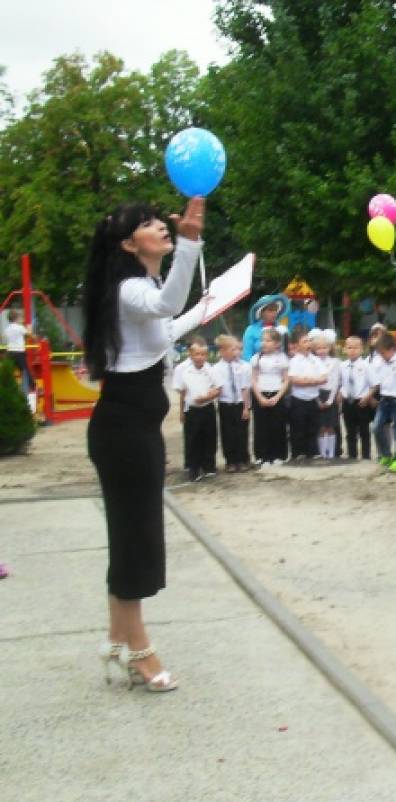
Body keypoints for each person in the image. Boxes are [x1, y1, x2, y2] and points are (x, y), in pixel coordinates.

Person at [83, 196, 211, 693]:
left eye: (161, 221)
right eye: (149, 224)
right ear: (127, 243)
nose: (161, 226)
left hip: (134, 429)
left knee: (134, 536)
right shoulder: (131, 288)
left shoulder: (143, 287)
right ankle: (140, 651)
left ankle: (116, 639)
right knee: (136, 540)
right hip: (123, 431)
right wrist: (191, 243)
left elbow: (165, 325)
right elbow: (162, 307)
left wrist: (205, 307)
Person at [172, 336, 220, 481]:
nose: (200, 357)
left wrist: (211, 395)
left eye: (203, 354)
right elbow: (182, 393)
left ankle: (209, 466)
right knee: (193, 439)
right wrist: (181, 411)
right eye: (197, 354)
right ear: (190, 355)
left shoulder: (210, 369)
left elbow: (218, 388)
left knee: (209, 437)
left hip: (207, 408)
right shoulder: (184, 371)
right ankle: (194, 468)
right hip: (192, 410)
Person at [370, 333, 396, 471]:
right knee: (376, 427)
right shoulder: (379, 362)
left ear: (392, 349)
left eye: (383, 352)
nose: (381, 355)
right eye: (379, 353)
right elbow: (377, 379)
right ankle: (386, 454)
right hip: (384, 398)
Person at [213, 334, 253, 472]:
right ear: (223, 351)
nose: (236, 352)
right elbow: (217, 388)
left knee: (242, 432)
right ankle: (230, 461)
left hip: (240, 403)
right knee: (228, 433)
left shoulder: (244, 366)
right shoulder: (216, 368)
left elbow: (245, 387)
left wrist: (246, 407)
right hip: (225, 404)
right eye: (232, 349)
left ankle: (243, 459)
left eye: (237, 349)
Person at [251, 327, 290, 465]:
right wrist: (260, 397)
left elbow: (286, 380)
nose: (264, 343)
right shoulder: (257, 358)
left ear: (277, 343)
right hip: (260, 394)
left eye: (268, 340)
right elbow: (254, 379)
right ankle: (262, 456)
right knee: (261, 426)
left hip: (276, 394)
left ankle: (278, 455)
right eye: (263, 340)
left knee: (277, 426)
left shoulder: (282, 358)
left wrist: (278, 396)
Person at [286, 331, 324, 460]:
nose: (308, 343)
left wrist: (308, 381)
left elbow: (324, 377)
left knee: (313, 426)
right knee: (298, 427)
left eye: (309, 340)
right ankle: (298, 453)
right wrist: (313, 380)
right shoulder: (294, 361)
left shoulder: (316, 360)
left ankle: (312, 452)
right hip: (299, 399)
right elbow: (294, 380)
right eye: (304, 341)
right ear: (296, 345)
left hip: (313, 398)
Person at [340, 335, 374, 461]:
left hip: (361, 401)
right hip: (347, 401)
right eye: (349, 348)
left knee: (364, 430)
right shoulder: (342, 366)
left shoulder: (366, 366)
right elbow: (339, 383)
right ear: (344, 349)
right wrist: (341, 393)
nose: (352, 350)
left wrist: (368, 397)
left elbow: (374, 384)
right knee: (350, 430)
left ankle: (366, 455)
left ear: (362, 349)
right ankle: (352, 455)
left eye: (356, 348)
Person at [312, 329, 341, 460]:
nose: (322, 350)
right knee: (321, 427)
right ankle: (323, 453)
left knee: (331, 426)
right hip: (317, 394)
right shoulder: (313, 362)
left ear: (329, 348)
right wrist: (317, 400)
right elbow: (313, 382)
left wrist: (330, 400)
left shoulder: (335, 362)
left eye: (324, 347)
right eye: (318, 348)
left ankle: (331, 453)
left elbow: (335, 382)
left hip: (330, 395)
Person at [242, 295, 285, 361]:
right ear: (261, 313)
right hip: (257, 368)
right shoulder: (251, 330)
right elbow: (247, 355)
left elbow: (287, 351)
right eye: (270, 310)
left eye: (275, 310)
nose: (274, 313)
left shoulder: (283, 329)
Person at [3, 305, 32, 395]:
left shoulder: (7, 329)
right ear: (16, 318)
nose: (22, 319)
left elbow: (6, 337)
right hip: (19, 352)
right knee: (25, 371)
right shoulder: (19, 327)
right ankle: (31, 387)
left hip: (10, 352)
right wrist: (29, 328)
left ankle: (7, 387)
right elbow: (29, 335)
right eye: (20, 317)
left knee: (8, 370)